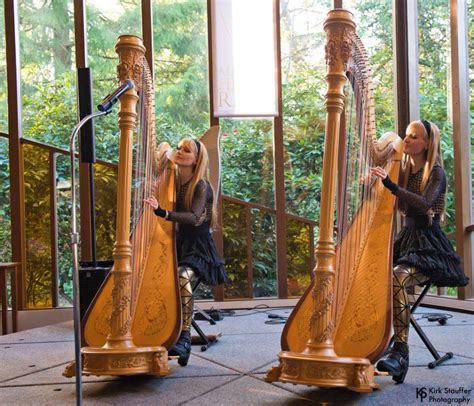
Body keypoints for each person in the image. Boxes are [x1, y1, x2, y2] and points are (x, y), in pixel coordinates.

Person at [370, 119, 469, 384]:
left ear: (427, 143)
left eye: (414, 136)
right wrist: (372, 182)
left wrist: (390, 185)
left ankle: (400, 352)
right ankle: (367, 341)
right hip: (406, 239)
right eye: (406, 135)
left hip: (428, 243)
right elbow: (389, 197)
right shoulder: (402, 169)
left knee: (399, 277)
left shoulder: (436, 172)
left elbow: (424, 203)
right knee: (372, 273)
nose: (408, 140)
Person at [144, 137, 227, 366]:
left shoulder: (202, 186)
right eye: (179, 148)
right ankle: (157, 330)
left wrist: (162, 212)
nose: (180, 152)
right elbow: (160, 202)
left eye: (186, 150)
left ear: (196, 159)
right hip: (177, 245)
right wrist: (155, 193)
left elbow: (195, 218)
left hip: (198, 250)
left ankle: (184, 337)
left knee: (181, 275)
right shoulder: (173, 181)